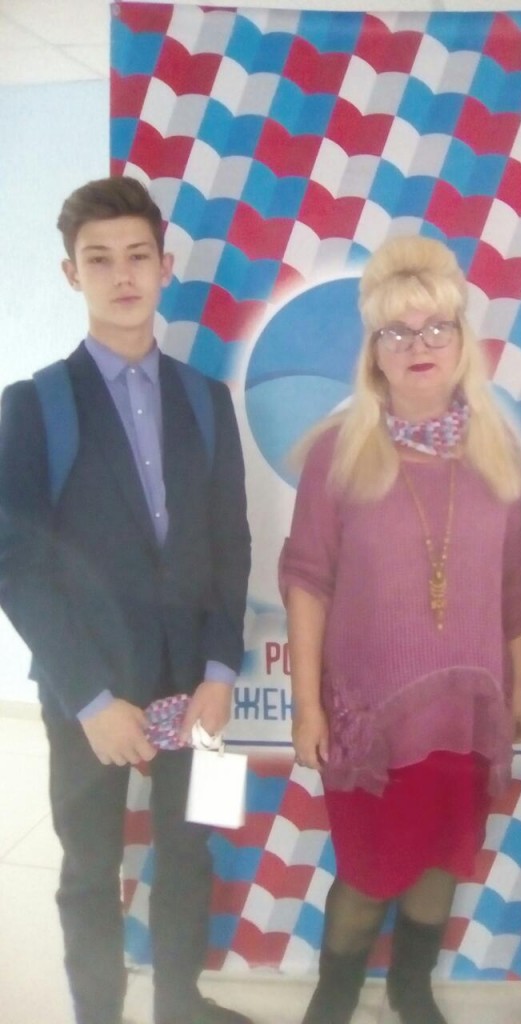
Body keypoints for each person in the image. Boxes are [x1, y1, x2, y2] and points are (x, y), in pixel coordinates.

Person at [0, 177, 253, 1024]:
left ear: (164, 265)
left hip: (193, 684)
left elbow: (230, 542)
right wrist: (89, 699)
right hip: (88, 690)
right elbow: (17, 565)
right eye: (99, 259)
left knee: (187, 856)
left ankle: (180, 1005)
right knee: (88, 869)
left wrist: (220, 670)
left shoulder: (205, 401)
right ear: (72, 274)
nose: (122, 275)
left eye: (137, 255)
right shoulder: (34, 406)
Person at [280, 235, 521, 1024]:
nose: (418, 346)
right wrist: (307, 706)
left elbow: (517, 587)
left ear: (462, 343)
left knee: (439, 868)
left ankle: (411, 987)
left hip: (466, 716)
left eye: (435, 328)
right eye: (396, 332)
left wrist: (520, 689)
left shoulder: (501, 455)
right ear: (373, 353)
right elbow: (307, 581)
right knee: (368, 876)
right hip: (372, 723)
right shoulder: (336, 452)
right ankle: (334, 996)